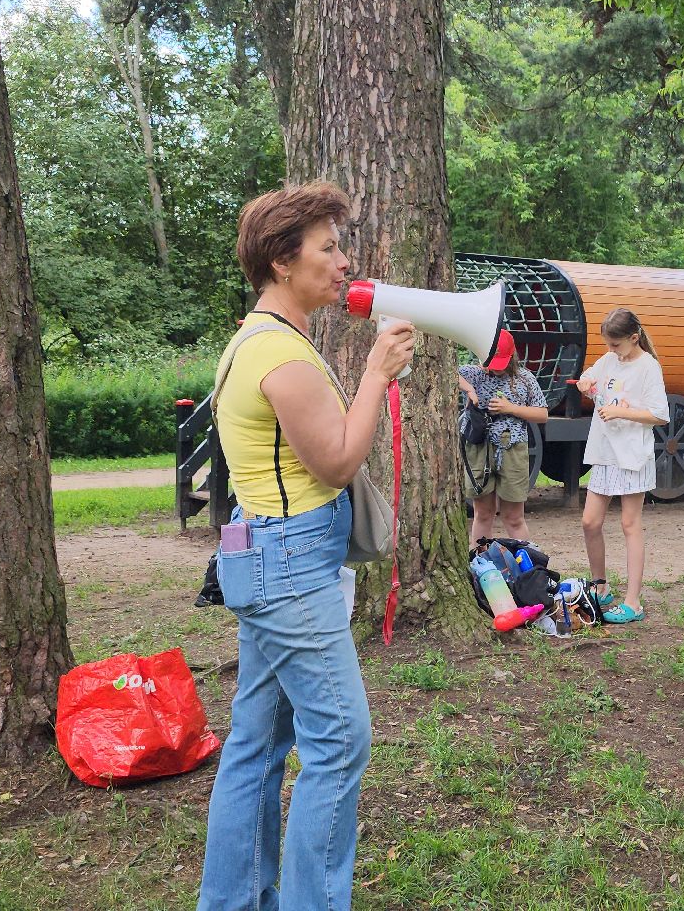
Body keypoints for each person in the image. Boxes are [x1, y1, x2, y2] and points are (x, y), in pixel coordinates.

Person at [200, 181, 416, 911]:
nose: (342, 259)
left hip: (264, 557)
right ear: (282, 261)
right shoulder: (281, 354)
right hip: (290, 565)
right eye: (329, 247)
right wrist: (376, 375)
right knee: (340, 742)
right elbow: (336, 461)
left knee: (256, 750)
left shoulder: (259, 340)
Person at [579, 308, 670, 623]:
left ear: (634, 338)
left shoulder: (649, 367)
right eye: (607, 344)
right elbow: (594, 381)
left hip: (632, 456)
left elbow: (659, 415)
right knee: (590, 522)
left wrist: (622, 413)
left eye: (616, 344)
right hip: (605, 452)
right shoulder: (609, 360)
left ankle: (633, 602)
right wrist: (586, 385)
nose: (610, 350)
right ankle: (600, 587)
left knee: (630, 525)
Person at [456, 353, 548, 546]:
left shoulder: (525, 378)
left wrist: (511, 408)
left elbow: (542, 414)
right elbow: (448, 372)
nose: (496, 368)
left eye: (501, 363)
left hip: (512, 448)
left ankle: (525, 567)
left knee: (514, 517)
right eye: (492, 363)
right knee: (483, 513)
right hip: (479, 447)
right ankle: (481, 565)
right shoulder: (474, 373)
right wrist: (470, 390)